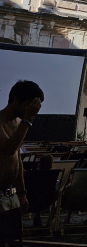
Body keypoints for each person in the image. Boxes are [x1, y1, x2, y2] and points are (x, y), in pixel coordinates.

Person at [0, 80, 44, 216]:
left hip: (10, 194)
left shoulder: (18, 123)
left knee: (14, 236)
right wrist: (28, 119)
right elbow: (8, 149)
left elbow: (17, 161)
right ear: (16, 100)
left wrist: (21, 193)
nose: (32, 110)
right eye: (30, 105)